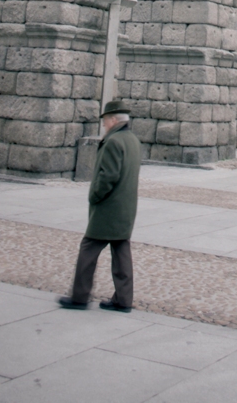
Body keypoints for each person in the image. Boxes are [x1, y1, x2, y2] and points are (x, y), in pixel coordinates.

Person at [59, 100, 141, 313]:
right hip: (126, 207)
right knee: (121, 251)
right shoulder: (132, 140)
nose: (104, 125)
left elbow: (108, 176)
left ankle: (80, 296)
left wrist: (94, 196)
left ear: (113, 120)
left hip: (108, 208)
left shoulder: (113, 142)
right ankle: (123, 300)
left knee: (88, 249)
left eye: (105, 120)